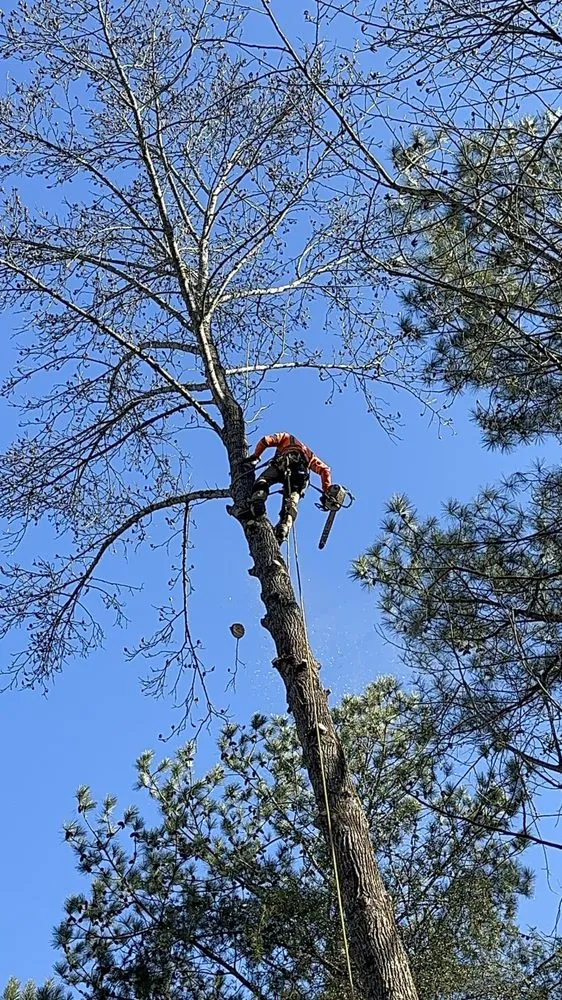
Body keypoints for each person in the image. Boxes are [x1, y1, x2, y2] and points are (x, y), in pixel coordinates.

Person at [245, 432, 332, 543]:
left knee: (263, 481)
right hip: (300, 473)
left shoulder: (285, 437)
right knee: (291, 501)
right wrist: (326, 491)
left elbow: (265, 440)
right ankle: (283, 528)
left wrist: (255, 456)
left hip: (282, 464)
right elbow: (325, 470)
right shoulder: (308, 454)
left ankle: (258, 502)